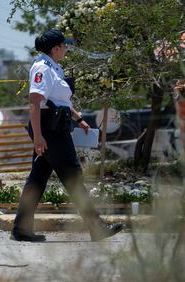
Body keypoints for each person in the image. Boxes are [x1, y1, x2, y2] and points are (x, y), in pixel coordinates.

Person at [11, 29, 123, 242]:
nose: (66, 49)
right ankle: (96, 227)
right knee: (73, 176)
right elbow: (35, 103)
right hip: (49, 130)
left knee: (37, 178)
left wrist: (77, 118)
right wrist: (37, 136)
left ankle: (21, 228)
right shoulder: (42, 68)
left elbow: (59, 99)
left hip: (55, 126)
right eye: (64, 46)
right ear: (55, 48)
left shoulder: (55, 68)